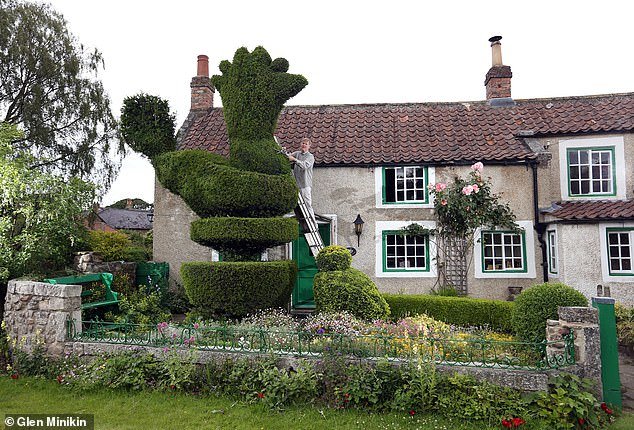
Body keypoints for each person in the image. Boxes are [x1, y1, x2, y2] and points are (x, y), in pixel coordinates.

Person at [288, 137, 316, 227]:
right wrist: (285, 153)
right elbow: (289, 157)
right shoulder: (297, 154)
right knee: (297, 206)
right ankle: (303, 224)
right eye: (303, 143)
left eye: (306, 144)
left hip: (305, 185)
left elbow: (304, 166)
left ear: (309, 146)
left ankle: (313, 224)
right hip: (297, 185)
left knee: (308, 205)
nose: (304, 145)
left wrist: (294, 160)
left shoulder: (310, 157)